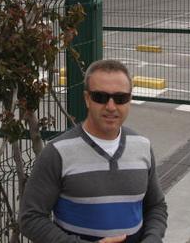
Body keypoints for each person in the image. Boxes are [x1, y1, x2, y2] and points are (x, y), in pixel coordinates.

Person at [19, 59, 168, 242]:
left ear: (130, 99)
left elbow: (156, 206)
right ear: (87, 98)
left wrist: (152, 239)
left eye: (120, 98)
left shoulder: (142, 146)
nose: (111, 107)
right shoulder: (57, 153)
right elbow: (30, 218)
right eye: (101, 97)